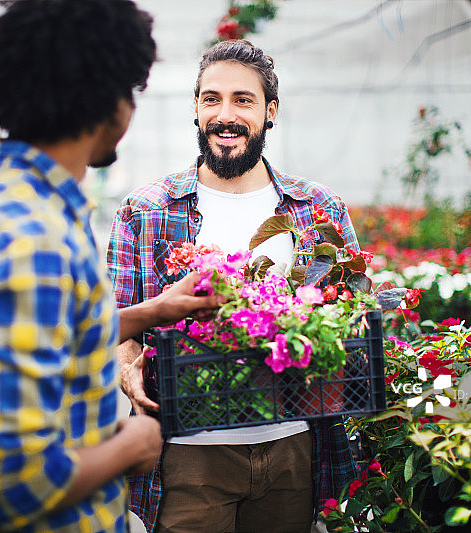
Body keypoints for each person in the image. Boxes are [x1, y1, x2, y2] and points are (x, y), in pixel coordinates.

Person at [0, 1, 223, 532]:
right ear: (111, 102)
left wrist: (153, 311)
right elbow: (13, 483)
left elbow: (44, 334)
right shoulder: (37, 241)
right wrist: (132, 445)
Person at [107, 39, 361, 533]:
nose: (225, 114)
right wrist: (127, 372)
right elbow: (119, 324)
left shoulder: (318, 209)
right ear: (196, 109)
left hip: (294, 446)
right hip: (188, 454)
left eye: (242, 100)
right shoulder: (146, 210)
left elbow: (352, 312)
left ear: (269, 112)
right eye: (211, 98)